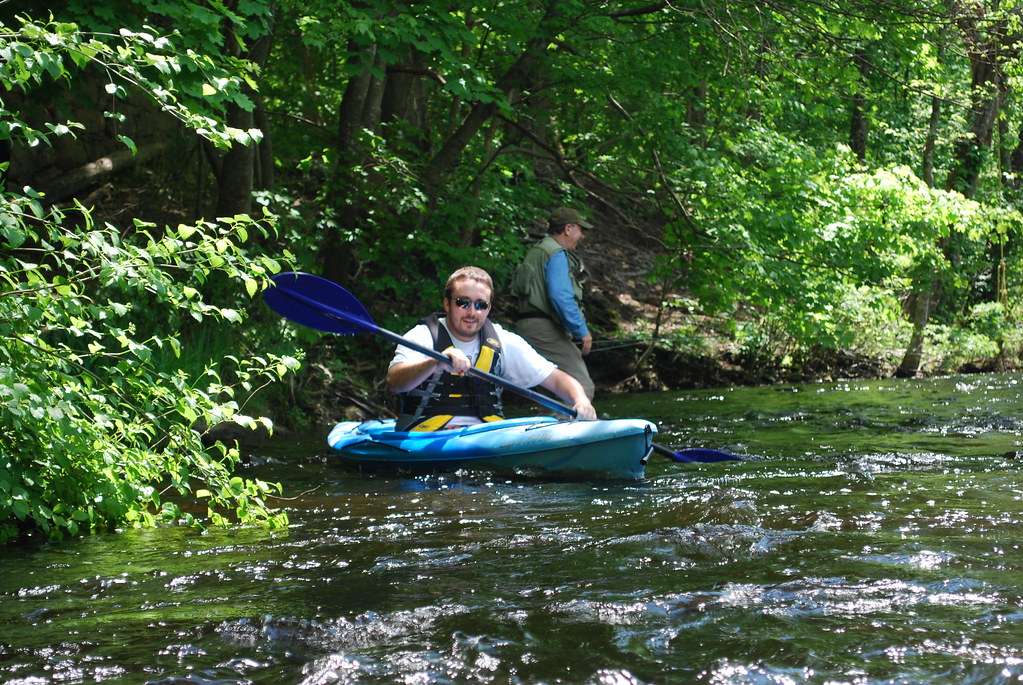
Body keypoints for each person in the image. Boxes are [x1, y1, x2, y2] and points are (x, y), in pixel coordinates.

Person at [387, 265, 597, 431]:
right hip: (425, 436)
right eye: (463, 302)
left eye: (481, 305)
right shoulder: (422, 336)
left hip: (487, 434)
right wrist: (435, 362)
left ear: (489, 308)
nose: (472, 312)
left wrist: (581, 400)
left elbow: (557, 379)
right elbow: (395, 382)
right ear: (447, 304)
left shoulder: (502, 340)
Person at [508, 206, 595, 399]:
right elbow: (560, 296)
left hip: (527, 328)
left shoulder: (538, 250)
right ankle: (576, 420)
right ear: (568, 229)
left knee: (552, 393)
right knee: (580, 389)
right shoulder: (555, 252)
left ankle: (549, 420)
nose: (582, 236)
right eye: (580, 230)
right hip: (544, 330)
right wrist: (581, 331)